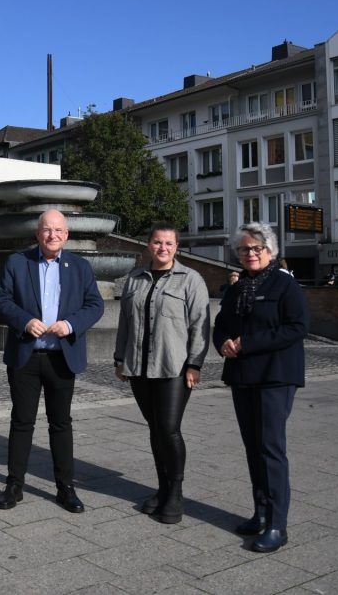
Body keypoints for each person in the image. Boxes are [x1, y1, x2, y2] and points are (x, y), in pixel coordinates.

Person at [0, 209, 104, 513]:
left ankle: (65, 488)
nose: (52, 235)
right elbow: (1, 299)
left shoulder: (79, 266)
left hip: (61, 358)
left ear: (66, 235)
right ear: (37, 234)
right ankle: (14, 484)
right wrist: (25, 321)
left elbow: (95, 305)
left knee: (61, 424)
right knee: (22, 422)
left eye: (58, 230)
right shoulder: (18, 262)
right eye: (46, 230)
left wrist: (70, 325)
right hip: (26, 355)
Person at [213, 222, 308, 554]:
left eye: (257, 249)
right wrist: (222, 342)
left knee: (270, 448)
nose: (251, 254)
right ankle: (261, 511)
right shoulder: (238, 288)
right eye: (244, 249)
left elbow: (297, 328)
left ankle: (278, 525)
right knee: (253, 447)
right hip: (242, 375)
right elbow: (221, 324)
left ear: (270, 251)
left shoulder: (285, 285)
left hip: (275, 375)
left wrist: (247, 343)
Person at [113, 223, 210, 524]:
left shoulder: (190, 280)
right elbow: (125, 323)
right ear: (148, 245)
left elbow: (200, 325)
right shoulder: (134, 279)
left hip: (174, 367)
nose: (162, 248)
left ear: (176, 247)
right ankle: (163, 488)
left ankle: (176, 493)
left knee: (169, 428)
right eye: (157, 242)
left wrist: (195, 363)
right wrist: (120, 358)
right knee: (155, 429)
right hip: (139, 367)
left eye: (169, 243)